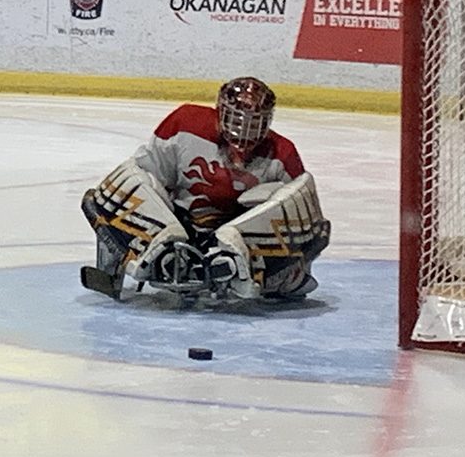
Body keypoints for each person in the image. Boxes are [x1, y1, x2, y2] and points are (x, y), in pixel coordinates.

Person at [79, 77, 330, 302]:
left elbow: (304, 221)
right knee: (124, 184)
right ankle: (140, 256)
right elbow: (146, 174)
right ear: (220, 112)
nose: (244, 131)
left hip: (241, 241)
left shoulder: (282, 153)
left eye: (255, 123)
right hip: (180, 224)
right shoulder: (185, 123)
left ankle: (241, 269)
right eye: (236, 119)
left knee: (282, 202)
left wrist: (282, 269)